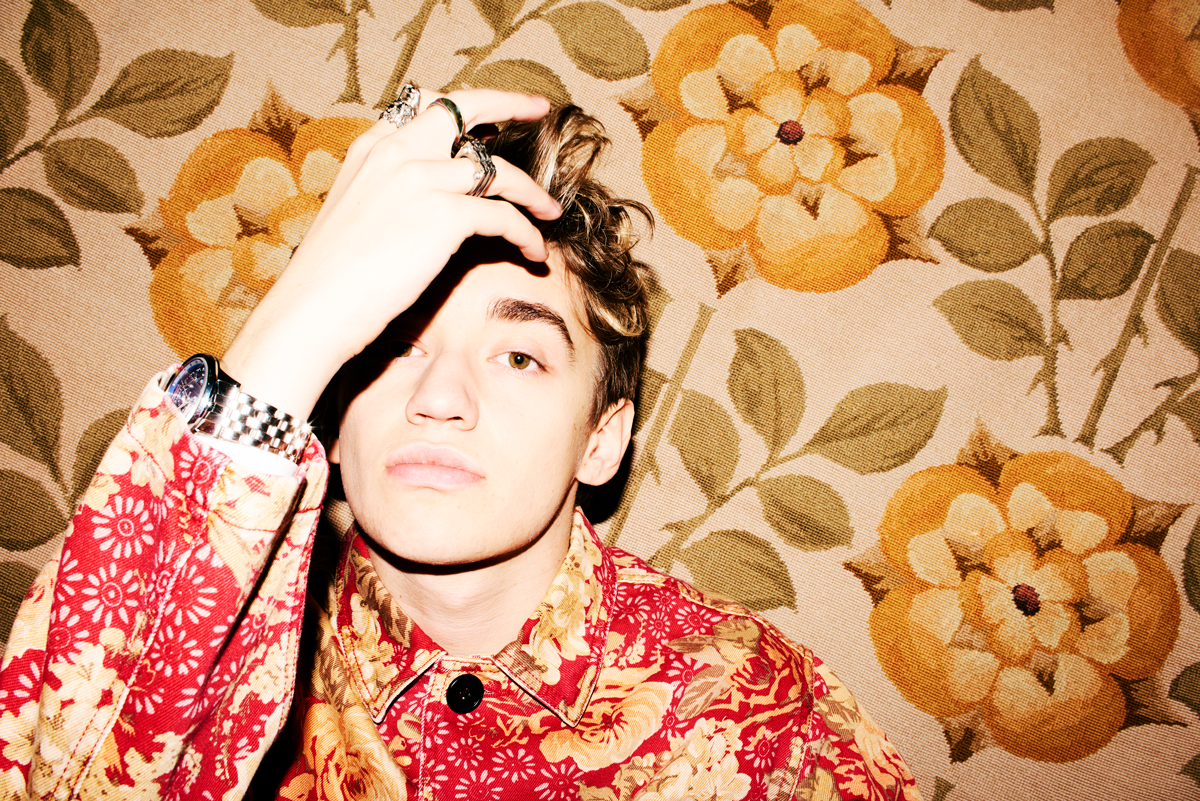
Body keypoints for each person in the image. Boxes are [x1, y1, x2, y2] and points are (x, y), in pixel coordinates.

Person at [0, 88, 920, 800]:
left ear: (601, 441)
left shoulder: (758, 712)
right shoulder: (222, 649)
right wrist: (292, 328)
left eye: (519, 356)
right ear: (335, 402)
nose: (440, 398)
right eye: (397, 343)